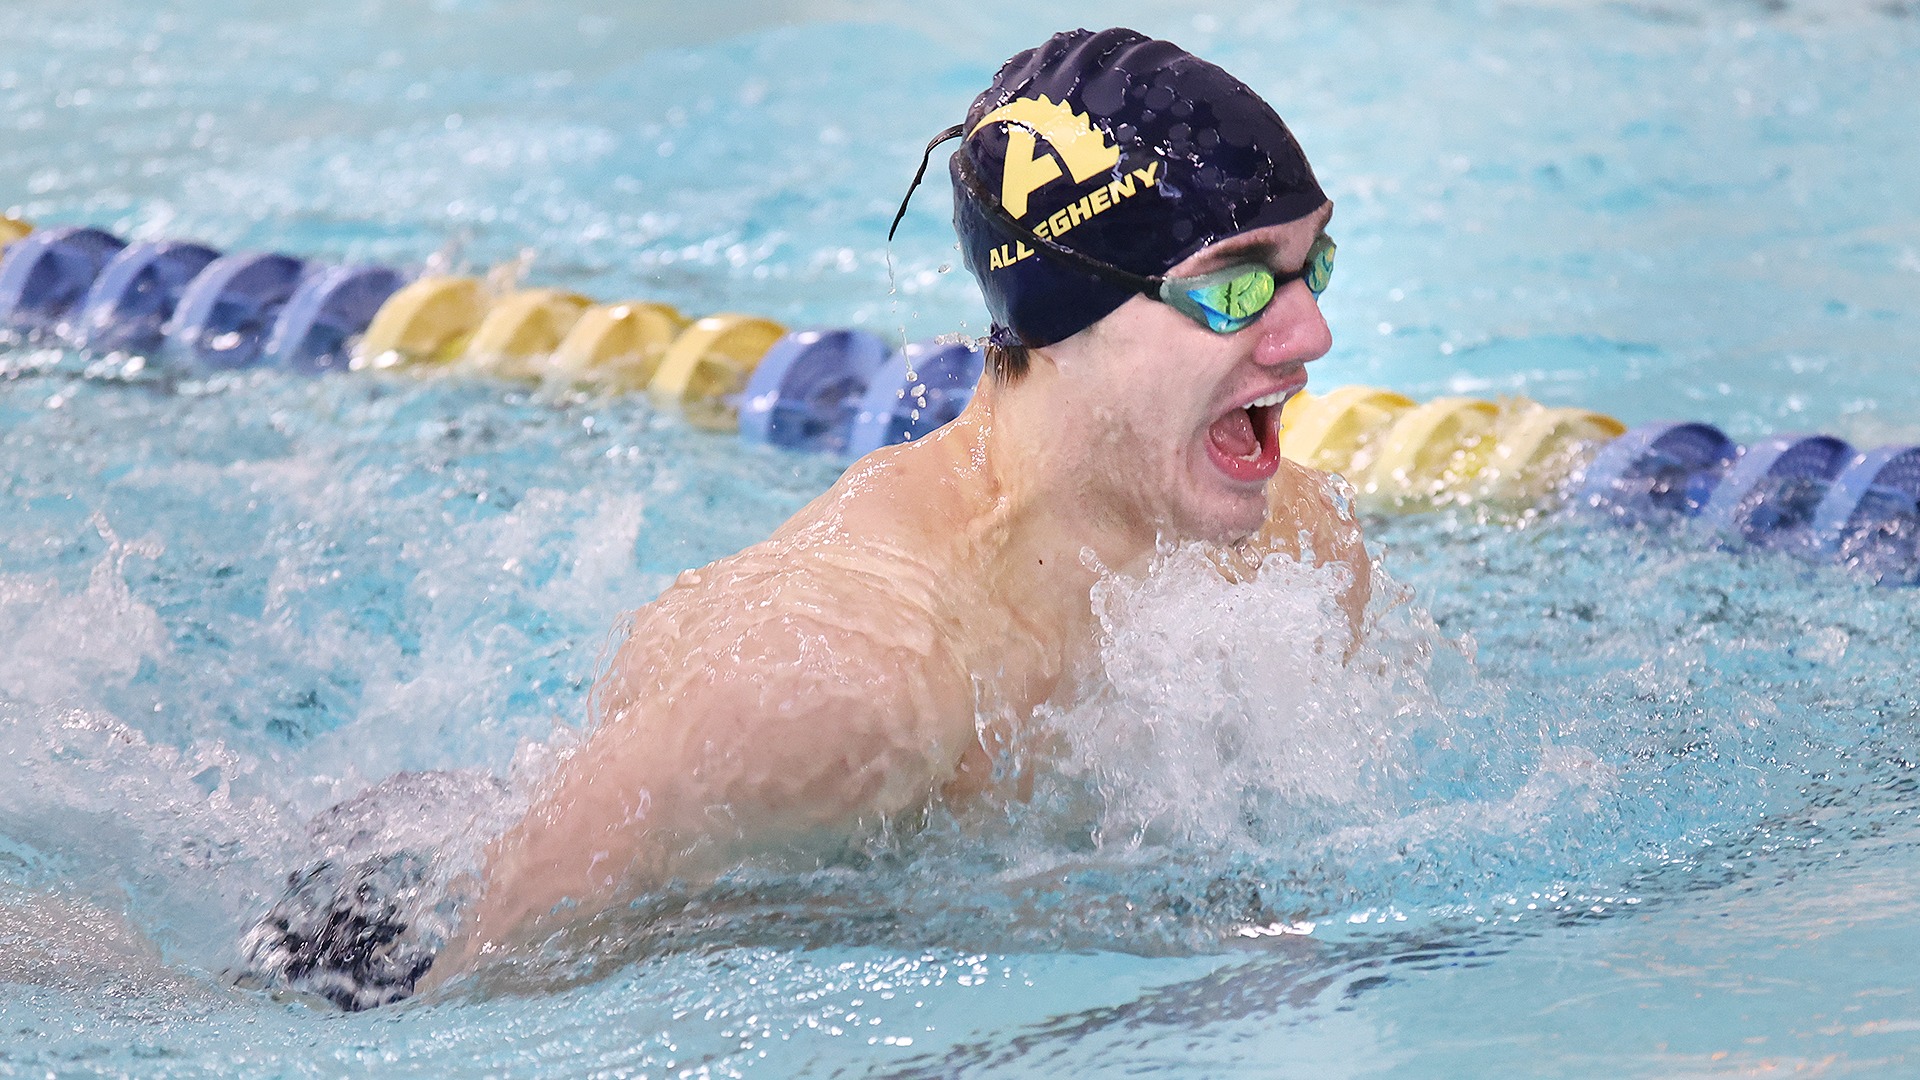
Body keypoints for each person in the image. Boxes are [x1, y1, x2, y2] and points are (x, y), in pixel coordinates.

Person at [248, 26, 1371, 1007]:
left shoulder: (1297, 550)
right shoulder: (845, 689)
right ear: (1066, 312)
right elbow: (469, 1004)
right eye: (1235, 285)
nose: (1308, 334)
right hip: (409, 927)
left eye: (1306, 263)